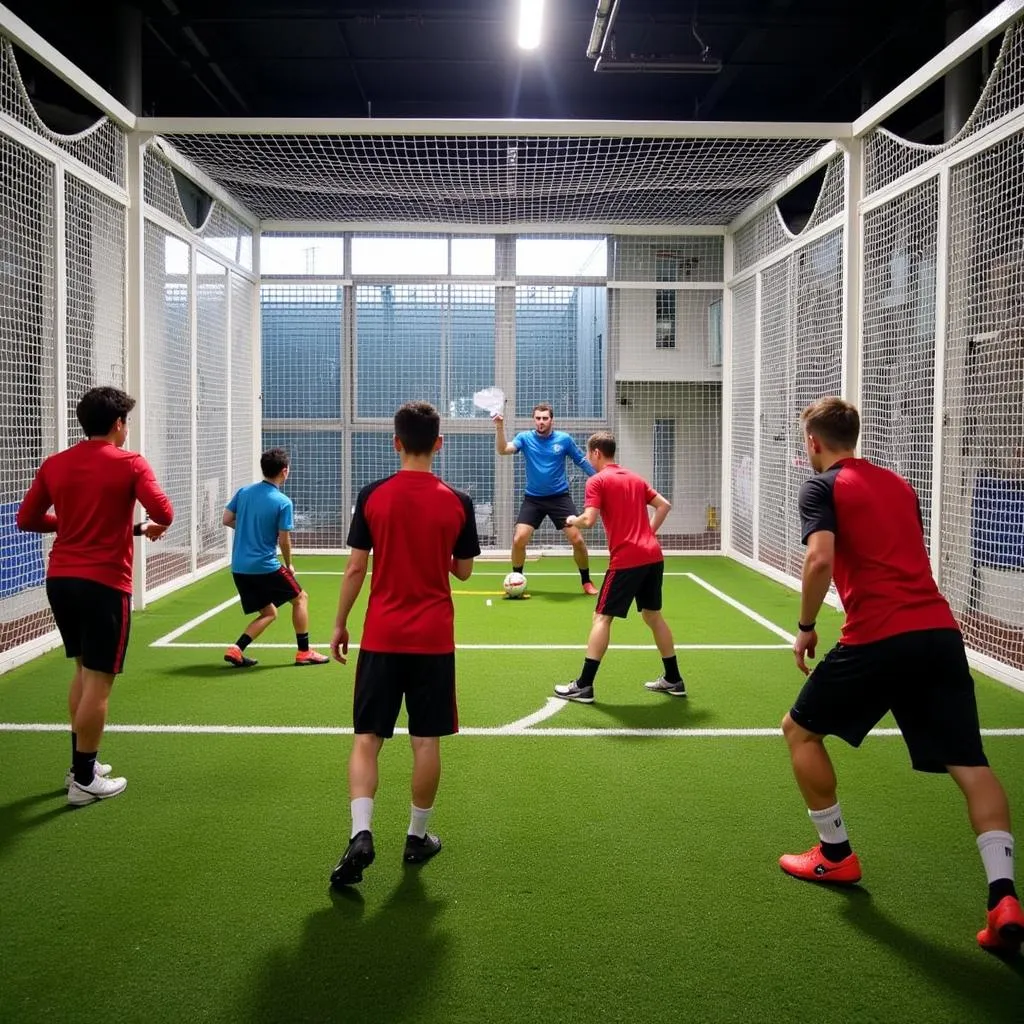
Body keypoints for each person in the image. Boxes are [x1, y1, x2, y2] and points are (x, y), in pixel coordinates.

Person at [780, 396, 1023, 953]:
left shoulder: (821, 486)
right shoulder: (899, 484)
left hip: (879, 636)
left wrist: (806, 624)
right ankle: (1004, 897)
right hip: (939, 634)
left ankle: (835, 856)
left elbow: (820, 559)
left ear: (813, 441)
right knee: (972, 763)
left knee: (799, 731)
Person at [329, 401, 480, 888]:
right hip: (433, 640)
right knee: (425, 740)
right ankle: (417, 838)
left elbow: (356, 567)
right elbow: (463, 569)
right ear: (439, 443)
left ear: (396, 442)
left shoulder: (372, 495)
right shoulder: (458, 500)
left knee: (367, 738)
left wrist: (339, 624)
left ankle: (361, 832)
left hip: (382, 637)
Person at [16, 386, 173, 806]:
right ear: (118, 423)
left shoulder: (56, 464)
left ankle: (80, 764)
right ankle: (84, 780)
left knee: (84, 673)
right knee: (99, 683)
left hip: (61, 581)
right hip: (104, 584)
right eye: (127, 423)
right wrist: (151, 526)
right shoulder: (130, 463)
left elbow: (27, 519)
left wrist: (68, 524)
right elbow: (164, 513)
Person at [552, 431, 683, 704]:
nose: (588, 458)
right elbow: (664, 505)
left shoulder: (597, 481)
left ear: (596, 453)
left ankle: (584, 685)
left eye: (589, 454)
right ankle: (674, 679)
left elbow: (588, 520)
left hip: (627, 560)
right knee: (652, 616)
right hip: (653, 556)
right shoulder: (634, 477)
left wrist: (571, 519)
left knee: (602, 618)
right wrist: (648, 533)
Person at [222, 448, 329, 668]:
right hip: (264, 566)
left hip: (240, 568)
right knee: (301, 598)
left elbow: (227, 519)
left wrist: (247, 529)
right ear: (284, 471)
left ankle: (236, 649)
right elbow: (284, 540)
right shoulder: (282, 502)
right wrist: (289, 563)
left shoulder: (243, 492)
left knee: (269, 612)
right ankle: (304, 652)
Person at [493, 402, 598, 595]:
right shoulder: (524, 438)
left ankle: (586, 581)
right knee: (519, 539)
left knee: (577, 540)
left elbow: (581, 461)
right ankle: (517, 579)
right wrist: (499, 427)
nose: (541, 422)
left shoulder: (564, 440)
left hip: (559, 498)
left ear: (552, 419)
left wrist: (600, 478)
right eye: (538, 418)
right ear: (534, 419)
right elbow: (503, 450)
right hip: (533, 499)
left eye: (545, 418)